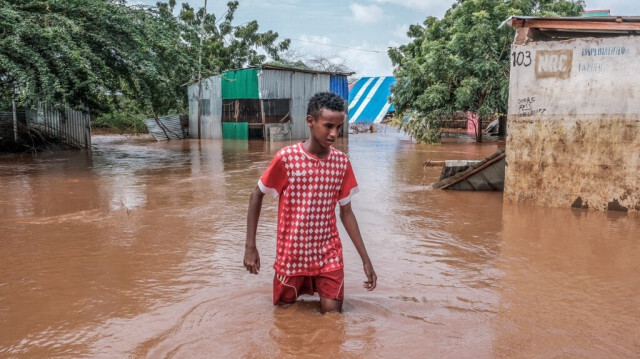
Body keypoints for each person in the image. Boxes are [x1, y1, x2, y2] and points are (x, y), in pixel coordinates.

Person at [244, 92, 377, 313]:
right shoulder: (287, 159)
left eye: (338, 127)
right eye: (328, 126)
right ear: (310, 121)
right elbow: (256, 195)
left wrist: (366, 259)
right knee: (285, 316)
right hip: (292, 253)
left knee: (333, 317)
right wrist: (250, 246)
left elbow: (346, 213)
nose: (334, 134)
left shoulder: (341, 163)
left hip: (329, 253)